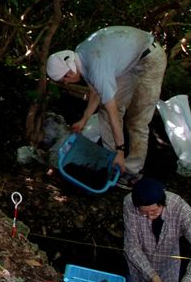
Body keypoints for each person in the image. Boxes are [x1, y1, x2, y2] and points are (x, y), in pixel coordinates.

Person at [46, 25, 166, 185]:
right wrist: (84, 118)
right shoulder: (80, 56)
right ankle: (114, 164)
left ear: (70, 71)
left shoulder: (97, 68)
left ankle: (132, 171)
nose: (66, 84)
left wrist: (121, 151)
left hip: (149, 58)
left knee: (137, 120)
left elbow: (113, 112)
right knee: (104, 112)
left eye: (64, 80)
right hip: (127, 63)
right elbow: (95, 91)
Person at [123, 178, 191, 282]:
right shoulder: (129, 203)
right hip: (138, 268)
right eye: (144, 213)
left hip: (168, 267)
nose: (150, 216)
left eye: (154, 211)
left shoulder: (180, 209)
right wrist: (152, 276)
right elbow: (131, 246)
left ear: (163, 203)